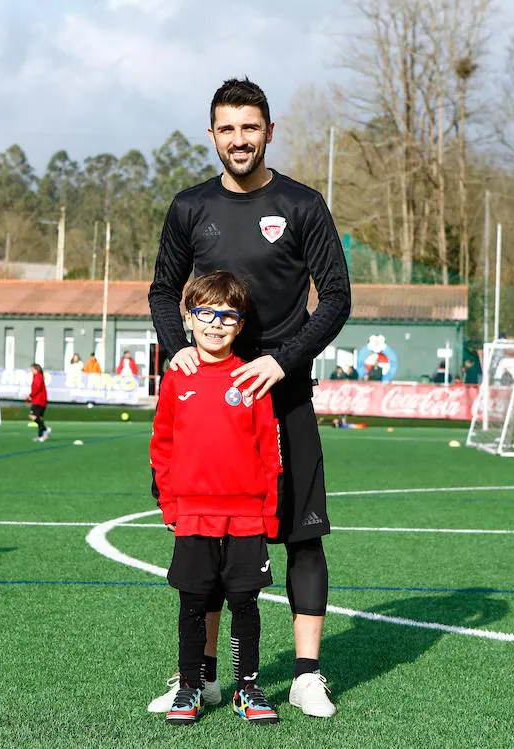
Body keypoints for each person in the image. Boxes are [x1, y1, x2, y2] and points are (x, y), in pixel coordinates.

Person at [148, 77, 350, 718]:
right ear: (212, 135)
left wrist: (281, 360)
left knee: (303, 537)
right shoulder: (188, 207)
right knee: (206, 537)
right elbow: (162, 291)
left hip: (282, 398)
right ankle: (203, 678)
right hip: (210, 410)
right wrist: (173, 344)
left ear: (269, 131)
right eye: (227, 128)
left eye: (250, 127)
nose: (239, 139)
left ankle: (307, 675)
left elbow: (337, 298)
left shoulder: (303, 205)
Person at [151, 271, 281, 726]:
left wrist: (269, 511)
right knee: (193, 604)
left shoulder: (250, 378)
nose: (215, 323)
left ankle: (247, 688)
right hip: (194, 517)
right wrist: (170, 505)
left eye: (228, 316)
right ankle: (190, 687)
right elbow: (161, 446)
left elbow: (270, 450)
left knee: (244, 603)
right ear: (189, 317)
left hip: (246, 517)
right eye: (205, 313)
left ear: (240, 324)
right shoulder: (177, 376)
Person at [27, 364, 50, 442]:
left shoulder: (38, 376)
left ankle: (45, 429)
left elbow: (37, 387)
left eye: (32, 369)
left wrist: (31, 396)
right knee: (39, 418)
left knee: (32, 415)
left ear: (36, 369)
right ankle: (40, 435)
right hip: (41, 400)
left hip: (39, 401)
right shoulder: (38, 376)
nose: (31, 371)